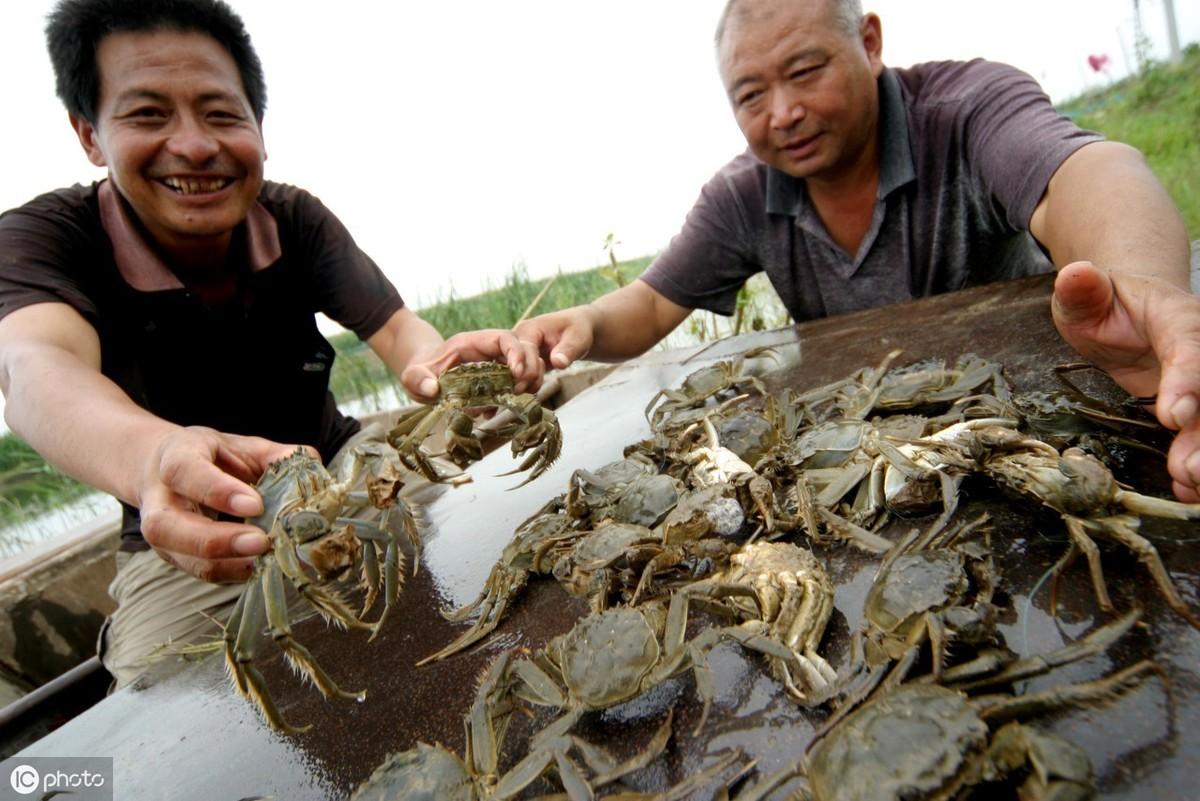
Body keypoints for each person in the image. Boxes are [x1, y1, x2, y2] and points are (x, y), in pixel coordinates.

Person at [0, 0, 538, 686]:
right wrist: (154, 457)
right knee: (164, 689)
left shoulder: (293, 219)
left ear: (258, 126)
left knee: (492, 540)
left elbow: (402, 333)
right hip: (191, 538)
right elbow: (34, 368)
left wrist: (446, 373)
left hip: (341, 475)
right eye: (148, 114)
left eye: (221, 114)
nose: (194, 145)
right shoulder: (45, 239)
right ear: (90, 135)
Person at [499, 0, 1200, 503]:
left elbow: (1086, 173)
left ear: (869, 42)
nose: (782, 112)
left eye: (805, 71)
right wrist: (583, 325)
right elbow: (652, 301)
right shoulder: (744, 193)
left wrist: (1137, 285)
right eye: (751, 94)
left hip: (1021, 419)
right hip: (867, 455)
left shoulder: (967, 107)